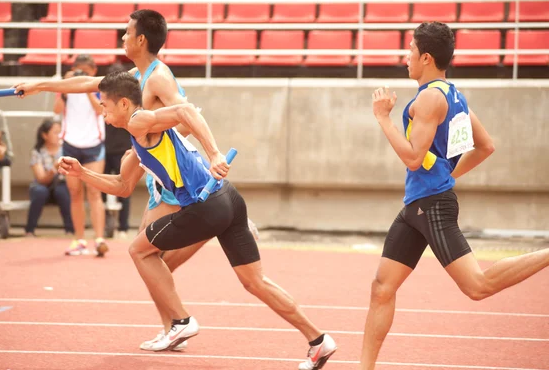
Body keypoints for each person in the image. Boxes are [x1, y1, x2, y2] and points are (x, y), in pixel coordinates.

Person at [57, 71, 338, 370]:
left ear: (123, 104)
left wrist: (215, 154)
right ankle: (318, 340)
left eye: (104, 105)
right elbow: (122, 187)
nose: (101, 110)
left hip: (205, 205)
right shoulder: (138, 136)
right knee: (255, 282)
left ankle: (181, 321)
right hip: (228, 199)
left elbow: (185, 110)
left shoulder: (140, 121)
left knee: (140, 250)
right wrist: (82, 173)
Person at [13, 9, 258, 350]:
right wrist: (39, 85)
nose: (122, 39)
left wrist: (149, 143)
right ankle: (174, 326)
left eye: (127, 33)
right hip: (154, 173)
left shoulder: (159, 78)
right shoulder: (135, 74)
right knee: (151, 259)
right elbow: (85, 83)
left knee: (146, 254)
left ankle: (179, 319)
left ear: (141, 39)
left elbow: (187, 117)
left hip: (172, 175)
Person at [360, 21, 549, 370]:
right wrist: (447, 174)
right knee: (381, 287)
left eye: (411, 51)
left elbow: (413, 157)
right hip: (418, 206)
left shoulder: (429, 98)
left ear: (426, 57)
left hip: (430, 205)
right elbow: (485, 146)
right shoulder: (452, 94)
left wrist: (383, 118)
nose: (406, 58)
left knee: (477, 286)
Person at [53, 54, 108, 257]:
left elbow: (100, 111)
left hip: (93, 145)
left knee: (94, 192)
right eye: (79, 71)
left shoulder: (101, 88)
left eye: (86, 72)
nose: (82, 75)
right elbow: (57, 109)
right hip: (70, 144)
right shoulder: (66, 88)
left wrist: (85, 88)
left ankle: (100, 239)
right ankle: (79, 239)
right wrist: (66, 87)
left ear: (93, 72)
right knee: (75, 193)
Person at [25, 119, 74, 237]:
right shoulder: (37, 152)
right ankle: (29, 230)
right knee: (39, 191)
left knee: (63, 191)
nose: (59, 136)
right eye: (55, 132)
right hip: (43, 186)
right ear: (44, 135)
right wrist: (54, 168)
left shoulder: (66, 150)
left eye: (60, 132)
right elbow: (41, 179)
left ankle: (71, 230)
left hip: (61, 185)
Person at [103, 62, 132, 238]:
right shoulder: (105, 98)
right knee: (107, 187)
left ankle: (122, 226)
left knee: (123, 186)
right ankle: (114, 224)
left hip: (121, 148)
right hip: (107, 148)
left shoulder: (127, 99)